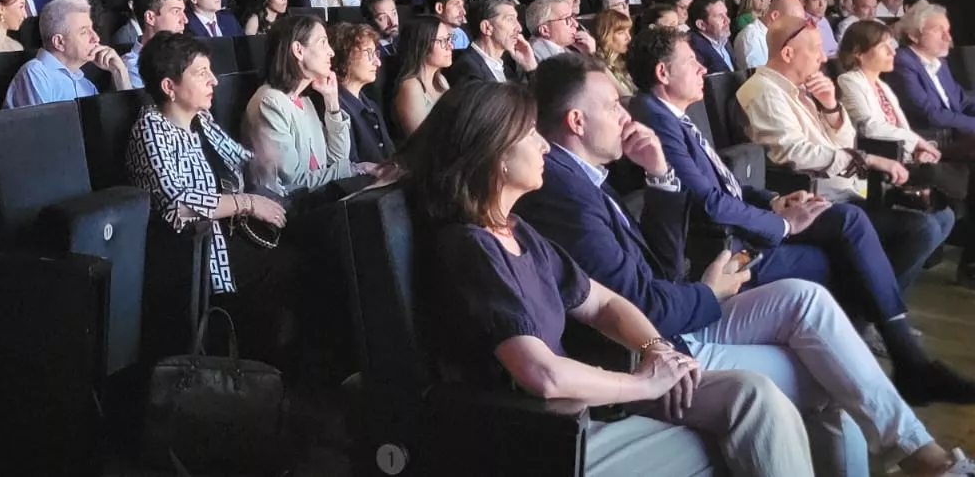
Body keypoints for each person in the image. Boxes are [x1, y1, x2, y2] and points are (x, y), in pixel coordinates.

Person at [520, 53, 975, 474]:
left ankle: (916, 450)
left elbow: (661, 264)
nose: (626, 115)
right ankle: (921, 454)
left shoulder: (585, 175)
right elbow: (641, 304)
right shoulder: (565, 195)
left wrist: (660, 177)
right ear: (576, 121)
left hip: (676, 308)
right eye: (613, 106)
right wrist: (710, 292)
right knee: (834, 375)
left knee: (806, 297)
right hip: (650, 344)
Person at [401, 81, 813, 477]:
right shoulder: (470, 247)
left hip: (587, 403)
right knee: (729, 442)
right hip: (542, 437)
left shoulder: (516, 230)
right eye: (530, 134)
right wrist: (642, 383)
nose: (545, 144)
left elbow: (603, 303)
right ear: (495, 154)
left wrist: (656, 350)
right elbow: (542, 375)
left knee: (752, 397)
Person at [629, 26, 975, 409]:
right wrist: (783, 224)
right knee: (846, 236)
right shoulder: (656, 119)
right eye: (692, 61)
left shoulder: (674, 114)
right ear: (664, 74)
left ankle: (894, 361)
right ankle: (901, 361)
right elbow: (710, 202)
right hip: (723, 248)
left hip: (760, 216)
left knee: (855, 233)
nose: (701, 69)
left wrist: (775, 201)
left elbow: (724, 184)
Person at [738, 14, 955, 297]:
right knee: (921, 229)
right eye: (815, 48)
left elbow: (843, 141)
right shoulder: (765, 92)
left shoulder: (799, 88)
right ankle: (867, 314)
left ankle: (873, 307)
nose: (824, 57)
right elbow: (792, 153)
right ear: (788, 53)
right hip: (816, 197)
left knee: (942, 215)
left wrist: (830, 107)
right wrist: (867, 159)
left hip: (847, 188)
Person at [126, 32, 292, 359]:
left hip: (233, 238)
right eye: (201, 74)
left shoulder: (201, 120)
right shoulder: (151, 131)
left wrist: (265, 159)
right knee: (296, 271)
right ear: (169, 87)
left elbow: (241, 157)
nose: (214, 81)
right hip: (199, 256)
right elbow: (179, 207)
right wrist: (247, 203)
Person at [838, 19, 974, 281]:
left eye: (892, 46)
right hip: (879, 165)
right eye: (884, 47)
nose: (892, 52)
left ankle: (890, 289)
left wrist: (919, 148)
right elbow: (870, 127)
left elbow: (901, 127)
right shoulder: (850, 81)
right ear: (858, 52)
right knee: (956, 186)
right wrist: (917, 143)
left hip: (905, 157)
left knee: (945, 215)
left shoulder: (883, 86)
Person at [243, 14, 374, 200]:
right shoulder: (269, 102)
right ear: (298, 50)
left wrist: (332, 102)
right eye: (323, 43)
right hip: (289, 212)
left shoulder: (304, 101)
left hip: (316, 202)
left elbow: (337, 161)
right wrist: (357, 169)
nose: (331, 52)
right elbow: (293, 183)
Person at [4, 0, 131, 108]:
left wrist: (119, 72)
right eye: (84, 32)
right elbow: (46, 132)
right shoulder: (35, 74)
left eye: (92, 29)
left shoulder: (86, 85)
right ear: (59, 42)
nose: (96, 38)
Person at [886, 1, 975, 140]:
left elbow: (961, 100)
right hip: (930, 140)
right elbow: (930, 114)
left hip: (955, 135)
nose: (948, 38)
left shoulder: (939, 61)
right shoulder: (902, 63)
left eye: (948, 31)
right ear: (914, 35)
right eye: (939, 31)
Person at [330, 22, 394, 165]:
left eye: (376, 54)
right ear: (345, 54)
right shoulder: (334, 108)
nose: (378, 63)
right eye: (369, 53)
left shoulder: (372, 106)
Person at [447, 0, 538, 85]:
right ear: (486, 27)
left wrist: (530, 67)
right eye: (510, 19)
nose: (519, 28)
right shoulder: (467, 68)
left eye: (516, 19)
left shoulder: (507, 71)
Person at [389, 14, 452, 141]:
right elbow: (421, 140)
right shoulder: (410, 87)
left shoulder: (440, 80)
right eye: (443, 41)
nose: (450, 46)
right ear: (422, 45)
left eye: (450, 39)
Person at [123, 0, 188, 88]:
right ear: (150, 17)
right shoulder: (130, 68)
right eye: (176, 11)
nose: (185, 20)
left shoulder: (188, 55)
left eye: (183, 12)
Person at [734, 0, 802, 71]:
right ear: (775, 16)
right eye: (793, 23)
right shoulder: (751, 36)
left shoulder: (779, 37)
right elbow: (759, 78)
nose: (796, 29)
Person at [525, 0, 595, 61]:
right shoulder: (536, 58)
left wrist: (587, 53)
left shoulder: (565, 51)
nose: (575, 24)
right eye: (567, 19)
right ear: (545, 30)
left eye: (573, 17)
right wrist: (591, 56)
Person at [687, 0, 735, 75]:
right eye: (720, 16)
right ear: (701, 25)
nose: (727, 20)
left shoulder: (722, 37)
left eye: (726, 14)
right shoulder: (692, 48)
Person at [594, 9, 636, 96]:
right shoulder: (598, 66)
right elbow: (626, 97)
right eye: (621, 33)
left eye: (628, 31)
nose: (628, 38)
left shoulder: (620, 62)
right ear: (606, 35)